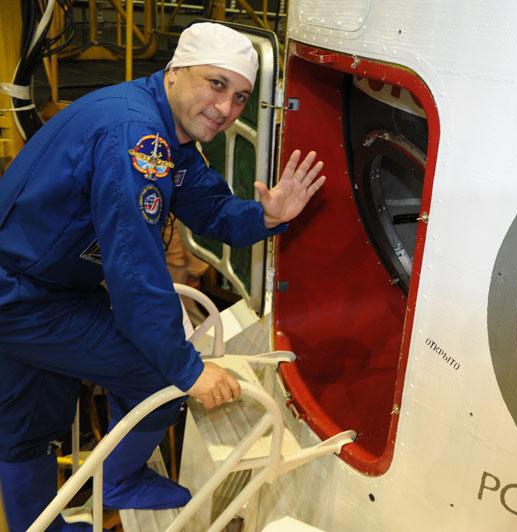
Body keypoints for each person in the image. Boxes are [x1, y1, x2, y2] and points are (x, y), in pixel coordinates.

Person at [0, 22, 325, 532]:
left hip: (38, 286)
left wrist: (265, 216)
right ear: (175, 72)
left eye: (241, 97)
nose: (226, 108)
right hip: (25, 296)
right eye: (216, 84)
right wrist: (188, 371)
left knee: (29, 420)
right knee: (156, 375)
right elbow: (135, 268)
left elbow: (211, 210)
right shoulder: (138, 135)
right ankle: (120, 479)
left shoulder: (161, 126)